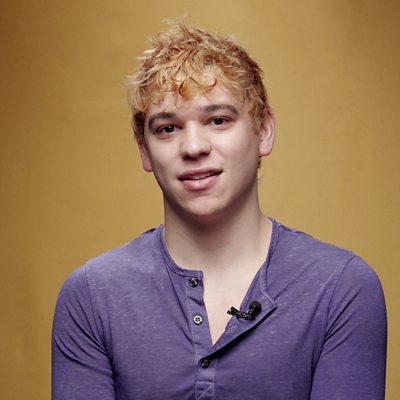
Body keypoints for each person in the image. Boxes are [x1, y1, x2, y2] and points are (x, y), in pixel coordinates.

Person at [52, 22, 387, 400]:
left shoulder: (340, 288)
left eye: (218, 121)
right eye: (167, 128)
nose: (193, 147)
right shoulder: (92, 296)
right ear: (144, 150)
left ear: (263, 130)